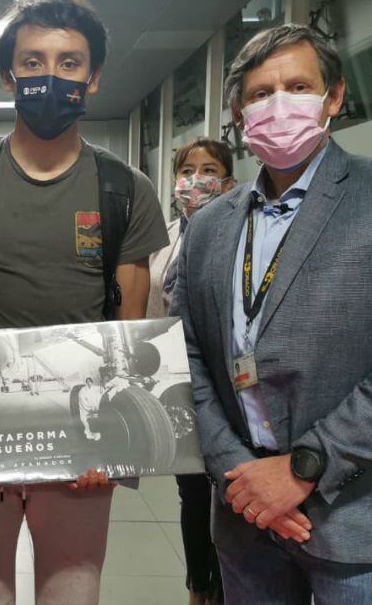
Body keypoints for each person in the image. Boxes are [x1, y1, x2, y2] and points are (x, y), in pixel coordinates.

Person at [172, 23, 372, 604]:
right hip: (245, 513)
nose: (279, 104)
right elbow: (189, 358)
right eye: (260, 94)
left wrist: (302, 469)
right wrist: (240, 475)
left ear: (333, 98)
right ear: (239, 111)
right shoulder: (210, 226)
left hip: (362, 519)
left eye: (298, 86)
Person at [0, 0, 169, 603]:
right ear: (9, 75)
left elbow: (128, 328)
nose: (49, 77)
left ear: (93, 76)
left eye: (68, 63)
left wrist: (110, 438)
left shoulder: (123, 188)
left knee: (72, 589)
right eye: (32, 62)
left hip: (81, 435)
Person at [148, 137, 235, 605]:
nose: (195, 181)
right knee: (193, 496)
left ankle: (228, 586)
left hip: (229, 393)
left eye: (209, 170)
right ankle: (199, 586)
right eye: (186, 171)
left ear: (229, 181)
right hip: (178, 389)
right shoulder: (164, 238)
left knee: (230, 496)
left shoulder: (242, 235)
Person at [77, 377, 102, 441]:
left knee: (94, 421)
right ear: (86, 382)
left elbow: (101, 391)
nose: (89, 383)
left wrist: (96, 407)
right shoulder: (83, 390)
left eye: (90, 382)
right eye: (87, 382)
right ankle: (89, 435)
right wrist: (88, 408)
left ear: (92, 382)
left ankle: (95, 435)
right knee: (86, 421)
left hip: (94, 409)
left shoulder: (95, 389)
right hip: (86, 409)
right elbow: (82, 400)